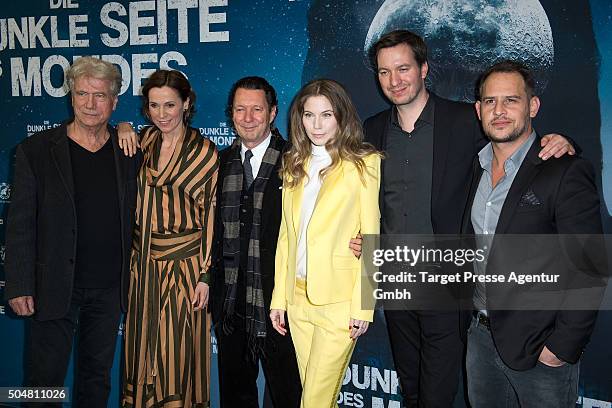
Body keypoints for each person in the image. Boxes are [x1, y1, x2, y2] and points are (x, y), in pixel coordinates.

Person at [363, 29, 576, 407]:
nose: (394, 80)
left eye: (403, 68)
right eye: (384, 72)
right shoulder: (373, 129)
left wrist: (558, 140)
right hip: (393, 279)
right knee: (409, 387)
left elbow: (514, 142)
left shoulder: (465, 120)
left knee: (439, 395)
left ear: (423, 69)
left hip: (447, 285)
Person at [462, 60, 606, 407]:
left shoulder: (564, 171)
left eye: (511, 100)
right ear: (479, 110)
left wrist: (559, 349)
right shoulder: (475, 168)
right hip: (480, 339)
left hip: (540, 350)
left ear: (533, 106)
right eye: (491, 102)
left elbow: (591, 268)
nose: (499, 111)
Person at [4, 56, 141, 407]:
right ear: (71, 97)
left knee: (96, 379)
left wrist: (125, 126)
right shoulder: (35, 150)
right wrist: (19, 284)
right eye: (82, 94)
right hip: (52, 283)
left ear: (114, 101)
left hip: (109, 287)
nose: (90, 104)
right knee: (43, 379)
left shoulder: (129, 150)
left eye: (100, 96)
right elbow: (20, 224)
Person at [270, 79, 381, 408]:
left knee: (315, 401)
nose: (316, 125)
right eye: (309, 115)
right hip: (298, 299)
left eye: (326, 115)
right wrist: (280, 299)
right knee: (318, 397)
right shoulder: (293, 163)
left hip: (339, 304)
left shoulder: (364, 163)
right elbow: (286, 238)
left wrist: (364, 305)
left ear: (341, 117)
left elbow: (371, 235)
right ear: (299, 118)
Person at [121, 70, 218, 408]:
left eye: (170, 105)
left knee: (176, 353)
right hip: (143, 267)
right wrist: (121, 127)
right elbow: (104, 136)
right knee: (141, 350)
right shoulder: (142, 141)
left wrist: (206, 275)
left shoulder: (205, 152)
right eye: (154, 106)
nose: (162, 114)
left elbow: (212, 217)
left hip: (186, 268)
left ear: (186, 104)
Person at [209, 76, 302, 408]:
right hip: (231, 303)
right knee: (236, 396)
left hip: (280, 306)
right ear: (231, 113)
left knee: (288, 394)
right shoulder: (220, 163)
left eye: (257, 109)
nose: (247, 118)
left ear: (273, 112)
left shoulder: (296, 161)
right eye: (240, 109)